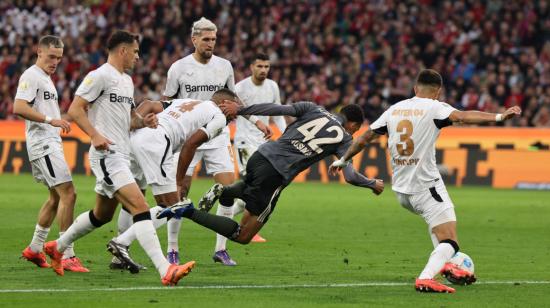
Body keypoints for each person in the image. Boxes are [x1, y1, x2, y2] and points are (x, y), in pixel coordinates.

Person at [329, 69, 522, 293]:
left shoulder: (394, 109)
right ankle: (426, 277)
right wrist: (499, 117)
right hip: (425, 186)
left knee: (438, 225)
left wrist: (342, 161)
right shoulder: (435, 108)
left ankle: (450, 267)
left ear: (415, 88)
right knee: (450, 240)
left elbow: (364, 138)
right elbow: (463, 116)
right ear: (438, 91)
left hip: (401, 191)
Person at [42, 30, 195, 286]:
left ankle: (57, 247)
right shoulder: (99, 75)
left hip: (121, 154)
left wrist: (142, 121)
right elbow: (75, 110)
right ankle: (166, 270)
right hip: (107, 155)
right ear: (123, 50)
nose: (138, 56)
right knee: (141, 209)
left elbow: (128, 120)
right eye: (135, 51)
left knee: (101, 216)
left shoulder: (126, 81)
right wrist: (94, 135)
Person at [157, 101, 384, 250]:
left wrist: (241, 109)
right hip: (276, 174)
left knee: (247, 185)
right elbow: (351, 177)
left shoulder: (312, 108)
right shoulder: (345, 138)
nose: (353, 132)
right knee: (243, 235)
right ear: (353, 124)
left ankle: (224, 190)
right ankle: (189, 211)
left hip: (261, 155)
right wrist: (372, 183)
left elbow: (276, 109)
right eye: (355, 129)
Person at [107, 90, 252, 272]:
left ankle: (101, 251)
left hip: (137, 136)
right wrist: (178, 181)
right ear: (224, 104)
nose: (234, 116)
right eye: (234, 110)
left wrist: (133, 122)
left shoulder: (189, 102)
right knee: (172, 205)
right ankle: (122, 242)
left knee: (133, 200)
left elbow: (149, 103)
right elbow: (191, 145)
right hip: (156, 142)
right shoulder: (218, 117)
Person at [162, 17, 268, 266]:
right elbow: (166, 103)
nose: (211, 43)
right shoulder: (178, 68)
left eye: (214, 39)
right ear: (194, 39)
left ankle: (220, 249)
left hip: (218, 136)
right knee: (180, 192)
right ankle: (173, 249)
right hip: (188, 139)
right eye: (206, 39)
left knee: (228, 191)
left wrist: (256, 121)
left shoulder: (225, 66)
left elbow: (235, 100)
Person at [14, 35, 88, 273]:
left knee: (56, 197)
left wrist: (69, 116)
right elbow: (19, 107)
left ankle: (35, 249)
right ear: (39, 52)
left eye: (59, 58)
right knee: (69, 193)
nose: (55, 61)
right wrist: (50, 119)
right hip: (43, 144)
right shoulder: (31, 76)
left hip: (48, 142)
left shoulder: (45, 79)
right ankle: (66, 254)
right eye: (51, 56)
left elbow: (50, 116)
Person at [231, 53, 287, 245]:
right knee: (255, 187)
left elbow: (278, 112)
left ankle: (231, 216)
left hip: (263, 145)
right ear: (251, 67)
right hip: (244, 142)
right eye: (260, 66)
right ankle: (245, 227)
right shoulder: (240, 88)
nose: (263, 70)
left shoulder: (272, 86)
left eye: (267, 67)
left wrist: (286, 133)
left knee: (256, 188)